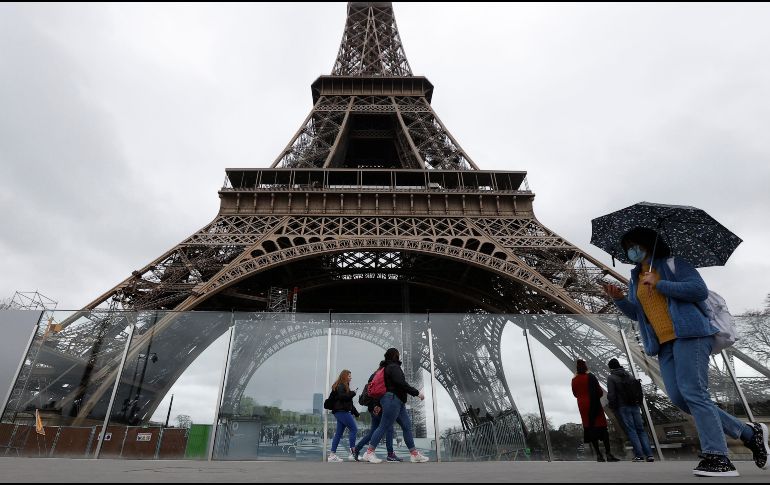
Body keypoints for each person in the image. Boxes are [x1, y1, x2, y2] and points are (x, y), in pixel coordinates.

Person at [601, 227, 769, 477]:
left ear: (648, 244)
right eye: (627, 247)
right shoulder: (636, 277)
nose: (630, 251)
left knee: (694, 392)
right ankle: (748, 433)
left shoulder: (674, 264)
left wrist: (661, 283)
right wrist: (619, 299)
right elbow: (639, 315)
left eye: (634, 244)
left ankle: (717, 456)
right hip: (664, 343)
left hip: (691, 335)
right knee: (680, 398)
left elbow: (698, 291)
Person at [361, 348, 430, 464]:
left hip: (397, 401)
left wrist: (378, 403)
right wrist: (417, 393)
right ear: (396, 356)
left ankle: (414, 454)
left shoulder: (384, 369)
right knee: (383, 426)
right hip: (392, 400)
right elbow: (401, 383)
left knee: (407, 426)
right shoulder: (393, 367)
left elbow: (383, 388)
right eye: (398, 355)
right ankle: (369, 453)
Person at [606, 358, 654, 463]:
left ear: (610, 367)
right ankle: (649, 455)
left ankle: (639, 455)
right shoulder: (629, 375)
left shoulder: (611, 378)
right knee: (641, 430)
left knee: (631, 430)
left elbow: (611, 394)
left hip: (623, 406)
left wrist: (612, 406)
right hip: (635, 405)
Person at [571, 359, 620, 462]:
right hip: (594, 404)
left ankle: (598, 455)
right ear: (586, 367)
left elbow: (575, 394)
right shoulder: (591, 377)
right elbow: (599, 392)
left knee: (591, 429)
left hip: (583, 406)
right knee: (603, 429)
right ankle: (608, 454)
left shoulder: (574, 380)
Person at [352, 363, 400, 462]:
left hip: (374, 408)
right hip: (378, 407)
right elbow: (375, 392)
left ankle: (357, 449)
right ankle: (390, 454)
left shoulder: (374, 375)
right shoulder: (380, 376)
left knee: (373, 432)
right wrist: (376, 405)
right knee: (389, 428)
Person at [327, 369, 359, 462]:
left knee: (338, 433)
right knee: (354, 429)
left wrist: (356, 413)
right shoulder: (341, 386)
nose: (351, 378)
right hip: (342, 412)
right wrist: (353, 393)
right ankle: (352, 454)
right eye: (349, 376)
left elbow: (349, 403)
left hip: (340, 411)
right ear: (345, 376)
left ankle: (332, 455)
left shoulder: (344, 386)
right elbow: (342, 397)